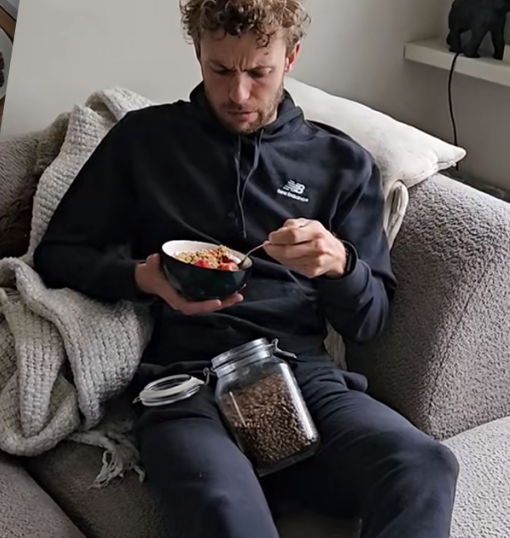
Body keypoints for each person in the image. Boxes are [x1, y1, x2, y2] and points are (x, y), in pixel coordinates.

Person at [32, 1, 460, 537]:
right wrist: (142, 278)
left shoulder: (340, 162)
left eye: (259, 72)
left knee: (425, 465)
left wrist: (341, 264)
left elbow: (369, 322)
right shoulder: (143, 140)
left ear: (290, 59)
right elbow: (58, 253)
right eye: (221, 70)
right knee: (224, 507)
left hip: (302, 374)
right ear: (198, 53)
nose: (238, 94)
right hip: (185, 381)